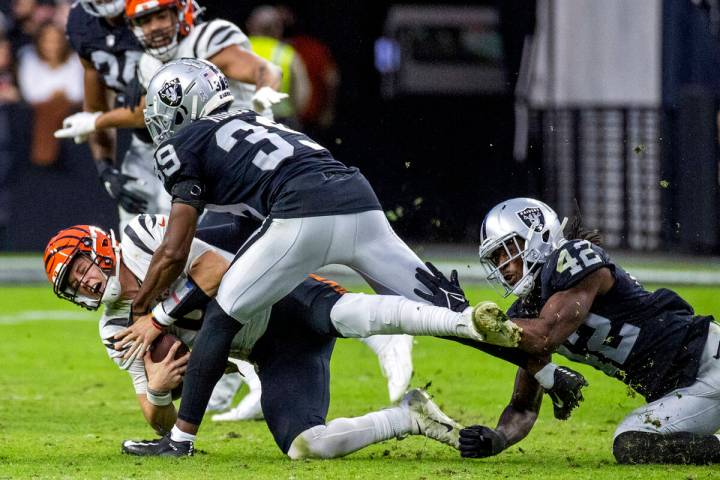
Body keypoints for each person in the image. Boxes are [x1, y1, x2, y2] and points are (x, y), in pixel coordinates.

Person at [109, 59, 587, 456]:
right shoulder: (258, 120)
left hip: (302, 211)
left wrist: (151, 310)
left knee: (223, 315)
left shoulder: (182, 142)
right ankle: (548, 372)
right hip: (358, 200)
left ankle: (180, 441)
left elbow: (174, 249)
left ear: (182, 104)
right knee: (450, 312)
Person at [43, 216, 575, 458]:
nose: (87, 281)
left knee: (355, 315)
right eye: (74, 284)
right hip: (269, 352)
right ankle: (409, 416)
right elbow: (151, 415)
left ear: (100, 248)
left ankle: (461, 322)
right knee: (306, 448)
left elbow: (206, 270)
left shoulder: (142, 239)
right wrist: (158, 388)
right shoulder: (113, 327)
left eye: (83, 266)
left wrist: (159, 319)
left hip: (280, 292)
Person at [457, 197, 720, 465]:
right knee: (633, 442)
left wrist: (465, 320)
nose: (503, 265)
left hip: (707, 359)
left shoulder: (572, 257)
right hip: (681, 390)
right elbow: (523, 407)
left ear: (537, 235)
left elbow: (545, 336)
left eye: (506, 250)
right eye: (495, 257)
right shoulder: (529, 311)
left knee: (631, 441)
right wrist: (498, 437)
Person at [246, 5, 310, 128]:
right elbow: (302, 95)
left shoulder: (235, 50)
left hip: (243, 122)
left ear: (250, 25)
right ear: (277, 29)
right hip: (281, 123)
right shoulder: (287, 54)